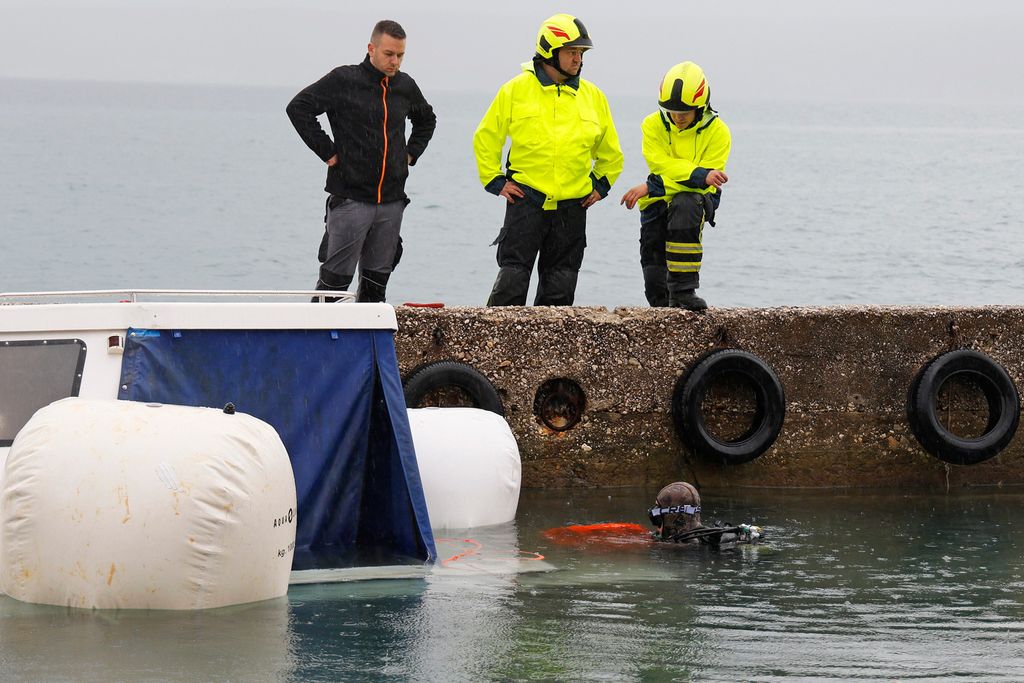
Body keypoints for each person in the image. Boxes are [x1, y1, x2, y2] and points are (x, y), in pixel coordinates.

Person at [473, 13, 624, 307]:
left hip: (573, 205)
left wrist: (601, 186)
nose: (578, 59)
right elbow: (486, 137)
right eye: (571, 52)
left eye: (580, 52)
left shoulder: (594, 97)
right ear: (549, 52)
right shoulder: (515, 90)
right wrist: (494, 180)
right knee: (512, 281)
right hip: (526, 199)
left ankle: (550, 353)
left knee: (561, 285)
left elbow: (611, 153)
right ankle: (497, 348)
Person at [287, 19, 436, 302]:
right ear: (371, 48)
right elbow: (299, 108)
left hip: (391, 202)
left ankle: (367, 345)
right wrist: (328, 152)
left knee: (375, 288)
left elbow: (426, 120)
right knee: (334, 285)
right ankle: (318, 341)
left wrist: (410, 153)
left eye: (401, 55)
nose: (395, 62)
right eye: (389, 54)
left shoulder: (404, 86)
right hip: (350, 200)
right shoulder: (344, 80)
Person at [621, 61, 731, 311]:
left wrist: (651, 186)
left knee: (686, 201)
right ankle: (663, 310)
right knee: (655, 282)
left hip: (694, 201)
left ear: (701, 107)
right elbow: (661, 166)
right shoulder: (651, 125)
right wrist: (698, 174)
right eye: (672, 111)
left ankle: (684, 290)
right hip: (656, 201)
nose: (678, 117)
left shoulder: (719, 132)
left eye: (684, 112)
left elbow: (701, 187)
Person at [647, 481, 763, 546]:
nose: (657, 522)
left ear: (671, 516)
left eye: (658, 517)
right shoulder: (710, 536)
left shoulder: (673, 546)